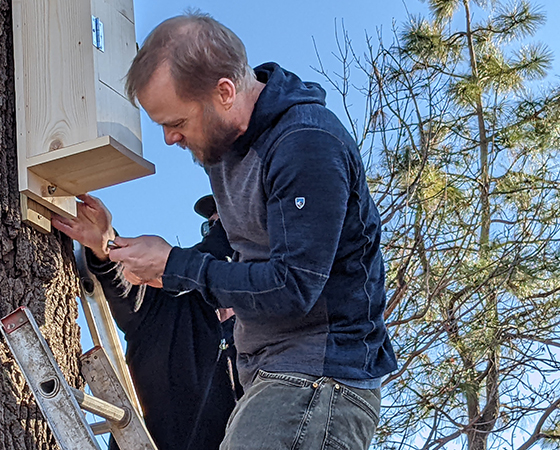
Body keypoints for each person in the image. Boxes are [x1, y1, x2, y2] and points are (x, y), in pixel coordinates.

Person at [100, 11, 398, 450]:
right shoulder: (226, 149)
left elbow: (294, 286)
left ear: (225, 91)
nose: (168, 138)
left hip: (318, 377)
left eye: (177, 122)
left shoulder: (306, 145)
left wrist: (175, 266)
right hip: (273, 375)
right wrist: (111, 247)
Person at [53, 194, 242, 450]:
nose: (213, 238)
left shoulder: (274, 331)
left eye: (225, 229)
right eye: (209, 228)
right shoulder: (166, 303)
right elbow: (127, 285)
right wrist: (105, 244)